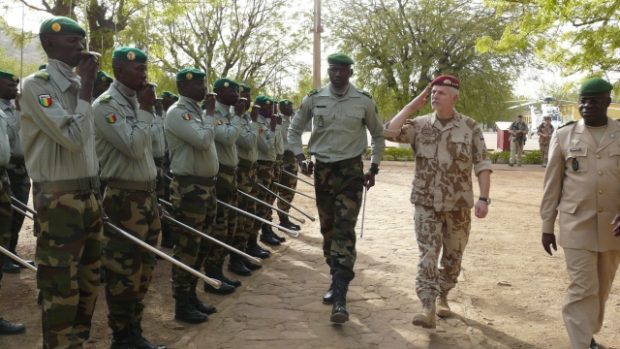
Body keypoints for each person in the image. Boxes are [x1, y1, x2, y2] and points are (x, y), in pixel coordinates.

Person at [19, 16, 103, 348]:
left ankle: (77, 343)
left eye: (82, 41)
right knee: (60, 287)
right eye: (72, 41)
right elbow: (72, 138)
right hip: (59, 200)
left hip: (88, 194)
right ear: (50, 43)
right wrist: (85, 87)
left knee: (88, 282)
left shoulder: (78, 83)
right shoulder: (37, 85)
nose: (81, 47)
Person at [383, 75, 492, 329]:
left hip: (458, 206)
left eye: (441, 92)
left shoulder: (470, 126)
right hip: (426, 203)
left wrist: (484, 198)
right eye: (433, 93)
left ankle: (444, 295)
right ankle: (427, 305)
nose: (435, 96)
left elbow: (483, 163)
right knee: (428, 254)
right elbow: (388, 132)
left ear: (454, 97)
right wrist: (411, 106)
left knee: (453, 258)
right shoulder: (419, 125)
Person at [288, 53, 385, 323]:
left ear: (350, 72)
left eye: (343, 70)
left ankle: (341, 296)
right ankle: (334, 278)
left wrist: (374, 167)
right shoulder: (314, 99)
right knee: (328, 230)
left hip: (351, 172)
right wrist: (300, 157)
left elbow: (378, 134)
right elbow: (293, 130)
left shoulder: (363, 101)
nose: (338, 75)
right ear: (329, 72)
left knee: (344, 230)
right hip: (323, 172)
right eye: (334, 70)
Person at [93, 47, 166, 349]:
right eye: (138, 69)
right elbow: (135, 147)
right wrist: (146, 111)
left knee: (145, 268)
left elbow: (156, 149)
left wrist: (147, 111)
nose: (144, 75)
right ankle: (122, 337)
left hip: (146, 196)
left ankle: (134, 332)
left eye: (145, 68)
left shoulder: (137, 103)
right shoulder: (105, 106)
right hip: (123, 199)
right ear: (120, 70)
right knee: (124, 271)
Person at [540, 77, 620, 349]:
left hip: (613, 226)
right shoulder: (564, 135)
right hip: (577, 224)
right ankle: (581, 344)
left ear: (607, 102)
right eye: (583, 101)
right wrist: (547, 225)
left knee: (601, 289)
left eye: (594, 101)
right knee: (583, 287)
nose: (586, 106)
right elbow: (552, 185)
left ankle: (588, 336)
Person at [165, 67, 218, 324]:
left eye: (203, 83)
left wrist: (206, 115)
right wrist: (209, 114)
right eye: (198, 85)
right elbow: (203, 141)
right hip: (189, 189)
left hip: (206, 187)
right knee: (187, 247)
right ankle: (181, 304)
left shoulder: (196, 112)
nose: (203, 88)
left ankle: (192, 295)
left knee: (202, 244)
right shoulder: (178, 113)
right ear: (183, 87)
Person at [202, 78, 243, 295]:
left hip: (231, 174)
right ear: (218, 93)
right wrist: (238, 116)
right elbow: (227, 138)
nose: (237, 93)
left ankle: (219, 272)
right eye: (232, 90)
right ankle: (212, 275)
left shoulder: (227, 113)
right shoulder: (216, 114)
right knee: (218, 228)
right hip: (221, 176)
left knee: (229, 226)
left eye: (237, 89)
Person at [231, 83, 267, 274]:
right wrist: (254, 123)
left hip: (251, 170)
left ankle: (248, 249)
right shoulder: (234, 117)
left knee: (252, 211)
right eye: (242, 96)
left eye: (248, 96)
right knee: (241, 215)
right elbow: (248, 142)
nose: (246, 100)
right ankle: (236, 258)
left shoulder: (245, 118)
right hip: (241, 171)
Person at [0, 78, 25, 335]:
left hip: (5, 174)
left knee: (5, 232)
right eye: (8, 85)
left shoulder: (5, 111)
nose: (14, 89)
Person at [0, 70, 31, 274]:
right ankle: (5, 257)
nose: (15, 89)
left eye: (15, 85)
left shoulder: (13, 107)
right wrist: (19, 111)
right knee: (7, 214)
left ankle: (12, 251)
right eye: (10, 86)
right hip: (9, 167)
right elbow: (11, 133)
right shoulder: (3, 110)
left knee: (18, 214)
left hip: (22, 167)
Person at [252, 95, 282, 246]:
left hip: (270, 165)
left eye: (273, 107)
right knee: (261, 204)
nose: (272, 110)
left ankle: (267, 229)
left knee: (269, 202)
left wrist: (276, 128)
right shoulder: (257, 123)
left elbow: (278, 147)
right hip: (261, 166)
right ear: (261, 108)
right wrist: (273, 128)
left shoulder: (269, 122)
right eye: (269, 107)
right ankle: (254, 239)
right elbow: (266, 146)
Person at [276, 99, 301, 231]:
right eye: (288, 106)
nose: (291, 108)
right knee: (285, 190)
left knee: (290, 190)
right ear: (281, 108)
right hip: (285, 159)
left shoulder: (291, 120)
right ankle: (283, 220)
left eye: (291, 106)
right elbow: (289, 137)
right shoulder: (280, 121)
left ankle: (285, 217)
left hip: (293, 159)